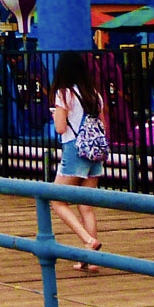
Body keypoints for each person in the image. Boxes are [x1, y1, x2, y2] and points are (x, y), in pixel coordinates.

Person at [47, 52, 106, 270]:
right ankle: (90, 260)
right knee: (86, 206)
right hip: (95, 153)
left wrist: (56, 114)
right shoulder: (95, 95)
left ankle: (88, 241)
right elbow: (103, 126)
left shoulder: (64, 94)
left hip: (74, 149)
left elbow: (60, 128)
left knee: (56, 200)